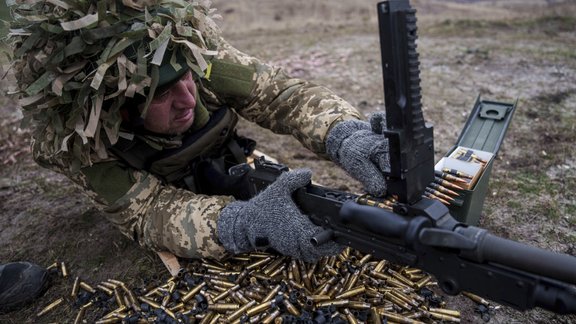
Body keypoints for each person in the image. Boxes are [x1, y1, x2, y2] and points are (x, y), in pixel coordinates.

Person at [1, 0, 390, 312]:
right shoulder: (84, 144)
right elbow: (148, 213)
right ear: (119, 109)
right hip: (151, 180)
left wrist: (344, 134)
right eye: (163, 94)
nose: (187, 99)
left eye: (185, 80)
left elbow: (283, 96)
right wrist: (243, 222)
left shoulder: (196, 62)